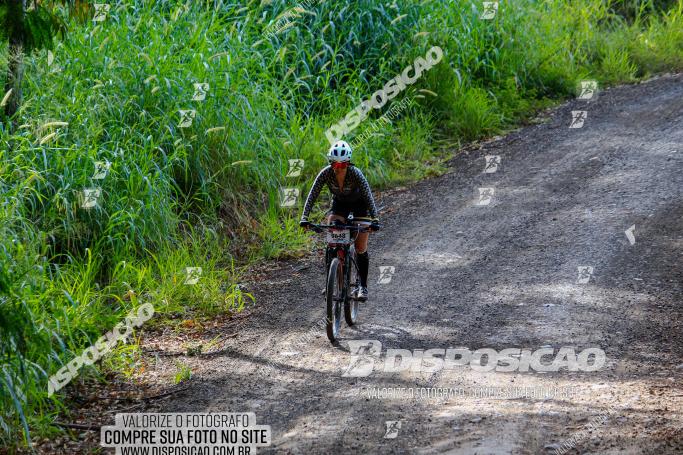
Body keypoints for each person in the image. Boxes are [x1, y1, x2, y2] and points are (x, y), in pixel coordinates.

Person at [299, 141, 380, 301]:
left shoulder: (356, 173)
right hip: (339, 206)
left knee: (360, 247)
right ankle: (331, 281)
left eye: (343, 164)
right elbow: (313, 194)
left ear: (348, 163)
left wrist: (375, 219)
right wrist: (304, 217)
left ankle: (362, 286)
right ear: (331, 162)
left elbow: (368, 195)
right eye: (335, 163)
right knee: (332, 239)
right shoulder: (325, 173)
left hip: (359, 207)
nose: (338, 167)